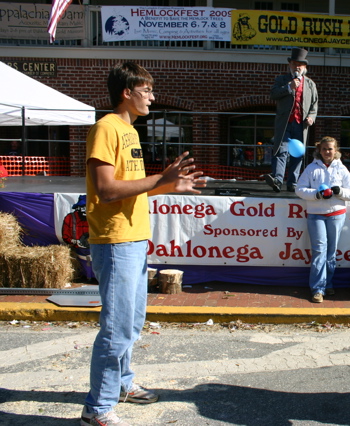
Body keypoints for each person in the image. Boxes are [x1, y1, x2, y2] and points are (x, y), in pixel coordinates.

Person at [81, 62, 204, 426]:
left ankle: (122, 384)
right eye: (146, 90)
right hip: (115, 240)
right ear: (126, 92)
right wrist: (158, 179)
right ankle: (97, 409)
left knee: (131, 323)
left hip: (134, 238)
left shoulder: (130, 131)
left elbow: (134, 185)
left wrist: (170, 185)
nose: (152, 96)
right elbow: (105, 190)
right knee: (117, 327)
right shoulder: (106, 128)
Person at [295, 136, 350, 303]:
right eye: (324, 149)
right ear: (319, 150)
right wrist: (316, 195)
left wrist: (339, 192)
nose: (327, 152)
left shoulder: (342, 169)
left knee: (331, 253)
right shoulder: (311, 168)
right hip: (316, 215)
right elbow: (300, 190)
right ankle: (317, 289)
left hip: (337, 215)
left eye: (330, 149)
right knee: (319, 251)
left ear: (335, 150)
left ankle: (328, 284)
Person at [265, 47, 318, 193]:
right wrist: (289, 87)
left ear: (305, 67)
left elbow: (314, 104)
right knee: (281, 151)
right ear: (290, 65)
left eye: (300, 64)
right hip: (285, 123)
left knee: (298, 153)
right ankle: (277, 180)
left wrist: (311, 117)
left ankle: (293, 183)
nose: (297, 67)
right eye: (294, 64)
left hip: (301, 125)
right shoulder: (282, 80)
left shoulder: (310, 84)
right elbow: (273, 94)